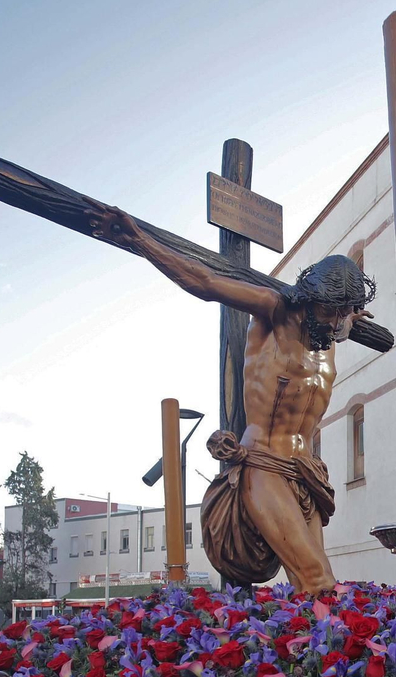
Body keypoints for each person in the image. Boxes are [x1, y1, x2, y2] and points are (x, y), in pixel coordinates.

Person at [91, 204, 376, 593]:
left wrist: (349, 318)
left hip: (305, 473)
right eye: (331, 310)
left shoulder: (329, 334)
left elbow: (340, 324)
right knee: (317, 580)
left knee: (307, 582)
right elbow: (205, 282)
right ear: (310, 298)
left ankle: (295, 651)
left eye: (345, 312)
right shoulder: (274, 313)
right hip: (264, 463)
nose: (336, 320)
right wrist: (140, 241)